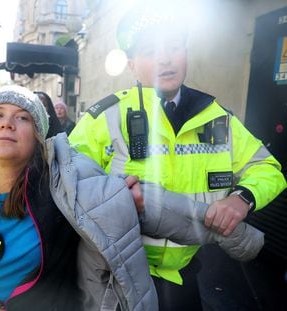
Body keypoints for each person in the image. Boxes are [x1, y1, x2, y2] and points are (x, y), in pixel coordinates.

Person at [0, 85, 265, 311]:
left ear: (39, 136)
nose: (8, 123)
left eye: (22, 117)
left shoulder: (71, 185)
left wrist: (241, 235)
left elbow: (169, 211)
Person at [68, 1, 287, 310]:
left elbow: (268, 168)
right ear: (132, 64)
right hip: (116, 276)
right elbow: (69, 183)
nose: (165, 59)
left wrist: (243, 198)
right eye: (150, 51)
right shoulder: (105, 118)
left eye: (174, 46)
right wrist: (120, 199)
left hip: (186, 274)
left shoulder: (218, 118)